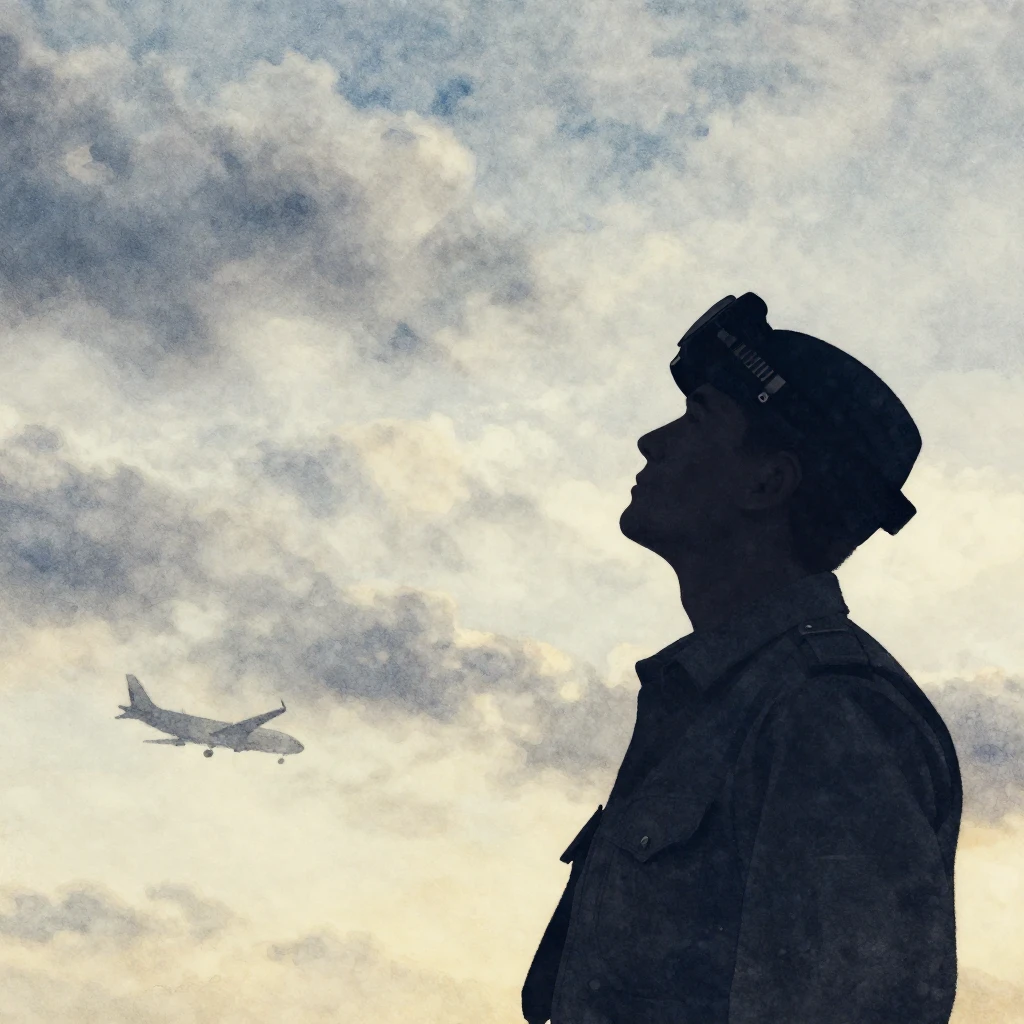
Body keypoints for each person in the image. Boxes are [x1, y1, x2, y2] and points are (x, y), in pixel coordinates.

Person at [521, 293, 962, 1024]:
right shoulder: (721, 703)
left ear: (767, 484)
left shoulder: (828, 716)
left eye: (697, 420)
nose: (649, 442)